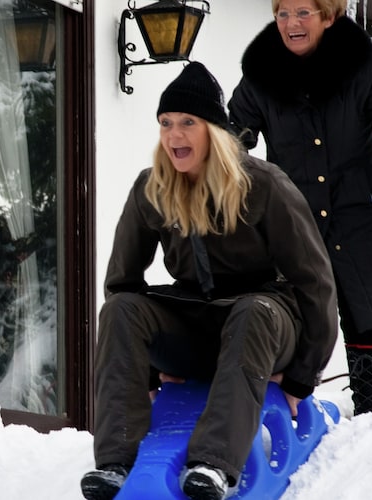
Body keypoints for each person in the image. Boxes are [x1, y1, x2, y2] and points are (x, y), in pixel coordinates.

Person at [79, 61, 338, 500]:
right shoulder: (152, 188)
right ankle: (115, 463)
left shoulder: (263, 185)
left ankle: (213, 464)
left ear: (212, 131)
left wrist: (300, 378)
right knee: (121, 309)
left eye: (186, 123)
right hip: (196, 323)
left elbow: (315, 282)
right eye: (165, 124)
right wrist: (147, 366)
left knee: (253, 311)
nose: (173, 135)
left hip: (265, 321)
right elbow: (122, 283)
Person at [228, 0, 372, 416]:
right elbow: (232, 138)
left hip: (357, 209)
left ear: (329, 16)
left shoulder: (360, 65)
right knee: (292, 314)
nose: (291, 24)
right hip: (295, 215)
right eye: (283, 14)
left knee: (363, 312)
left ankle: (370, 415)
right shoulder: (261, 74)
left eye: (303, 13)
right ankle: (286, 413)